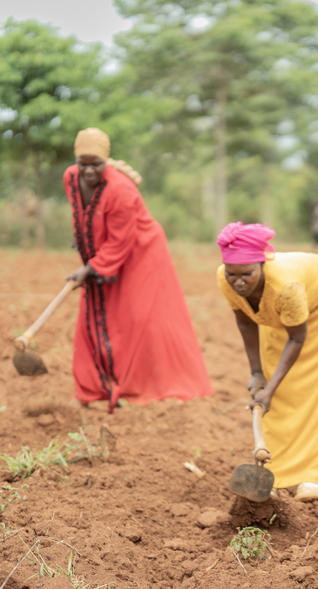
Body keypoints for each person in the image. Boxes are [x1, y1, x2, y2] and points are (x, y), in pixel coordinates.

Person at [63, 128, 212, 411]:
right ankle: (96, 388)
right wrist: (85, 240)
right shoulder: (69, 178)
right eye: (84, 163)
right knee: (93, 315)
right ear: (76, 160)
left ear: (106, 161)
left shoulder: (121, 189)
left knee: (141, 319)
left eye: (97, 163)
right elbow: (80, 213)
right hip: (105, 251)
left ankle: (141, 386)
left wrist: (90, 268)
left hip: (142, 252)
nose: (89, 170)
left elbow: (121, 238)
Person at [217, 223, 318, 501]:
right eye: (233, 274)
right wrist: (257, 374)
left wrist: (268, 390)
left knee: (316, 384)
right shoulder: (225, 278)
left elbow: (296, 338)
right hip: (278, 308)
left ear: (262, 266)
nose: (239, 281)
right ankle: (277, 471)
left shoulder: (286, 287)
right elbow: (245, 321)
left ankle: (312, 477)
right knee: (274, 386)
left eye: (247, 274)